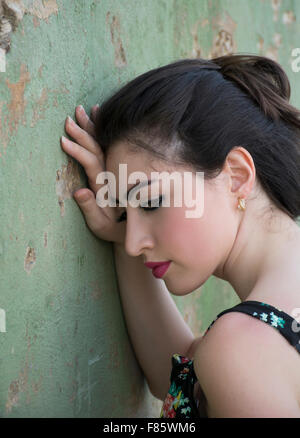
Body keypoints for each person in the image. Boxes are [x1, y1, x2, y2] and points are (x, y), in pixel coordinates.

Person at [60, 54, 300, 418]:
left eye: (152, 201)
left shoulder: (243, 347)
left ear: (235, 175)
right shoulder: (263, 333)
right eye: (127, 211)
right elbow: (178, 378)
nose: (132, 241)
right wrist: (124, 232)